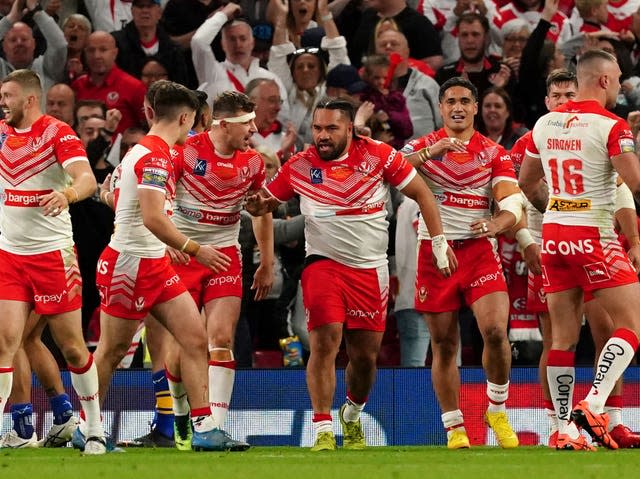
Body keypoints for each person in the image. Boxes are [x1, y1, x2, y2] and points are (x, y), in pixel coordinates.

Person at [245, 98, 455, 451]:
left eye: (331, 129)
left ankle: (352, 413)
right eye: (317, 128)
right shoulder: (299, 165)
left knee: (364, 357)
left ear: (349, 130)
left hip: (371, 270)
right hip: (323, 263)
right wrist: (256, 210)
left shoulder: (379, 155)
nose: (322, 136)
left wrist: (437, 242)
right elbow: (264, 205)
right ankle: (323, 426)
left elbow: (423, 193)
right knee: (325, 340)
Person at [91, 80, 234, 453]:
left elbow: (120, 199)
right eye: (193, 122)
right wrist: (193, 248)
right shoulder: (154, 156)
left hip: (154, 262)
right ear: (185, 117)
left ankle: (203, 426)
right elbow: (153, 217)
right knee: (110, 350)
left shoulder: (148, 153)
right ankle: (87, 426)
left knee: (193, 337)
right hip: (130, 264)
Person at [519, 49, 640, 451]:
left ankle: (565, 430)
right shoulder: (611, 125)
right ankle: (593, 402)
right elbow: (634, 182)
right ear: (603, 80)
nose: (621, 84)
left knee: (563, 338)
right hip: (593, 233)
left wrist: (559, 206)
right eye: (619, 77)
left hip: (553, 234)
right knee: (631, 324)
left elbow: (527, 182)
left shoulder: (545, 123)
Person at [401, 77, 524, 450]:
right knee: (443, 343)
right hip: (433, 253)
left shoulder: (493, 152)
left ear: (474, 109)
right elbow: (390, 170)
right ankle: (454, 426)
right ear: (441, 108)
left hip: (477, 250)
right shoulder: (422, 146)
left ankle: (497, 408)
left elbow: (512, 203)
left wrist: (496, 223)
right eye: (450, 100)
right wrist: (431, 153)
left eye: (465, 101)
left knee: (496, 333)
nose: (458, 107)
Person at [0, 69, 104, 455]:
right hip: (10, 255)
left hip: (53, 256)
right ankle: (14, 427)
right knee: (6, 342)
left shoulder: (57, 133)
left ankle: (93, 427)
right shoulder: (2, 134)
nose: (2, 102)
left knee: (73, 348)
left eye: (8, 95)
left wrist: (68, 195)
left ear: (29, 99)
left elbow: (87, 180)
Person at [170, 90, 273, 450]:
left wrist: (267, 260)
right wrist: (170, 242)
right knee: (182, 346)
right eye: (247, 123)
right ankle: (181, 414)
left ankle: (212, 426)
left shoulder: (253, 163)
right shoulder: (185, 150)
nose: (254, 129)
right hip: (184, 254)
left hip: (226, 254)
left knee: (221, 338)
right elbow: (160, 197)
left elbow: (261, 210)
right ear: (224, 123)